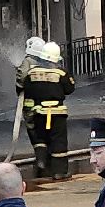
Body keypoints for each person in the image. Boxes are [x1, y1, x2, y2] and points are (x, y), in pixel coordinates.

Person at [18, 41, 75, 178]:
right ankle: (59, 172)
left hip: (38, 112)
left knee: (40, 138)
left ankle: (41, 162)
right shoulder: (61, 73)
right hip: (57, 113)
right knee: (58, 140)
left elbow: (24, 88)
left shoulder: (31, 73)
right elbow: (69, 89)